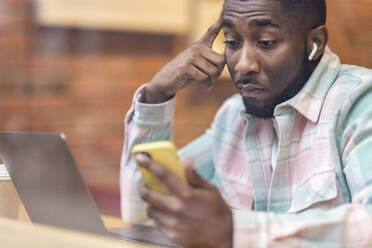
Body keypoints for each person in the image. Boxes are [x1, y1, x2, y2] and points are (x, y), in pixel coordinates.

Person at [120, 0, 372, 247]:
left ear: (315, 43)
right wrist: (156, 96)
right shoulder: (234, 116)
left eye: (265, 42)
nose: (242, 64)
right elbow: (141, 211)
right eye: (232, 42)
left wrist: (232, 230)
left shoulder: (359, 102)